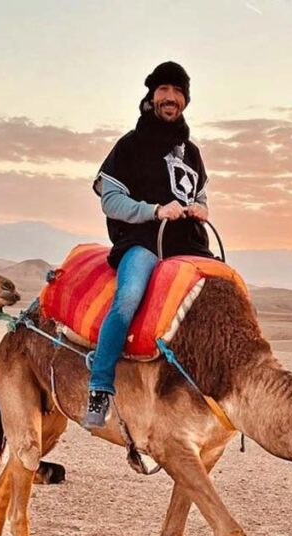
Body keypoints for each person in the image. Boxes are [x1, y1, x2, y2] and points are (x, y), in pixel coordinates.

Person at [83, 61, 213, 429]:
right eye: (163, 91)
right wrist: (154, 210)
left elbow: (200, 194)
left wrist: (201, 209)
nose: (170, 98)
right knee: (127, 300)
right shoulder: (130, 146)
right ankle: (100, 385)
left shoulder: (192, 153)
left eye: (177, 92)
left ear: (185, 100)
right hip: (142, 241)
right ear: (152, 97)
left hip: (187, 246)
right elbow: (110, 200)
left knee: (222, 295)